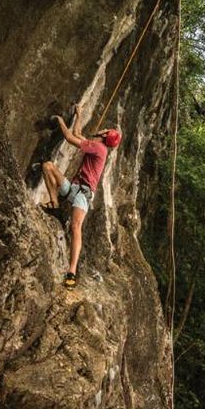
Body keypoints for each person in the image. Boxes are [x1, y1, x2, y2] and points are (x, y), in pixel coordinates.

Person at [40, 104, 121, 289]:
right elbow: (77, 132)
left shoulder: (100, 149)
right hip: (74, 189)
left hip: (82, 196)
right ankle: (54, 205)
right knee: (47, 167)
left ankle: (72, 272)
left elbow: (69, 137)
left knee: (76, 227)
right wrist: (80, 114)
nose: (103, 128)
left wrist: (60, 120)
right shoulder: (96, 146)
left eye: (106, 130)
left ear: (104, 136)